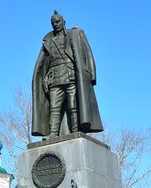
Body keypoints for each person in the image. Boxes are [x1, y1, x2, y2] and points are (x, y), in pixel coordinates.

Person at [32, 10, 103, 139]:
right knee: (54, 107)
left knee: (73, 106)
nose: (56, 24)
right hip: (54, 78)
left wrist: (91, 75)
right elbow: (42, 64)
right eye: (53, 23)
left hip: (71, 75)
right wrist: (44, 79)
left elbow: (88, 54)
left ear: (63, 22)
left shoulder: (74, 35)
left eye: (58, 21)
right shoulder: (48, 42)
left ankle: (75, 130)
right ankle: (53, 133)